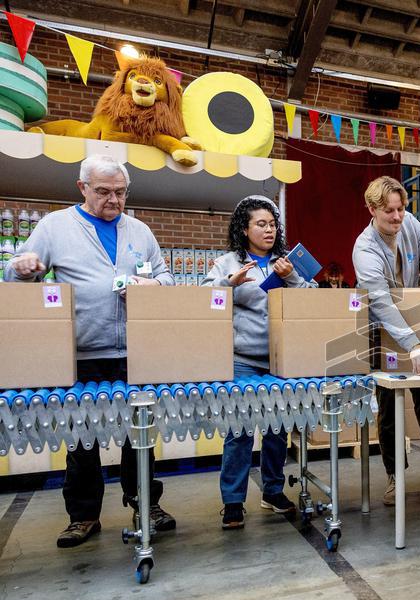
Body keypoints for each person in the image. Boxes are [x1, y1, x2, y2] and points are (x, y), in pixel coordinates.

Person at [4, 154, 176, 548]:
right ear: (82, 188)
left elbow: (165, 275)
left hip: (136, 351)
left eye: (120, 192)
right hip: (81, 352)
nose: (113, 199)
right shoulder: (55, 227)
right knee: (82, 437)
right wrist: (23, 267)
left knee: (142, 434)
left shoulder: (139, 231)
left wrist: (156, 286)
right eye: (103, 192)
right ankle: (83, 516)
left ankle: (145, 505)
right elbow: (15, 274)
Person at [203, 196, 315, 529]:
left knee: (277, 430)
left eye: (272, 224)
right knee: (238, 432)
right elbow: (205, 300)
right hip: (242, 360)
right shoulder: (226, 263)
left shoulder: (288, 262)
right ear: (244, 228)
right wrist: (229, 285)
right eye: (260, 224)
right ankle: (233, 501)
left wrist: (292, 278)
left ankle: (273, 490)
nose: (269, 230)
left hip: (281, 359)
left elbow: (314, 301)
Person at [352, 176, 420, 506]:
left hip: (414, 323)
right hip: (383, 330)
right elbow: (382, 303)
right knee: (388, 407)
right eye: (389, 211)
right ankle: (393, 475)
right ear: (371, 209)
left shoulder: (410, 224)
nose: (398, 217)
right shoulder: (365, 248)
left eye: (401, 209)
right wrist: (412, 344)